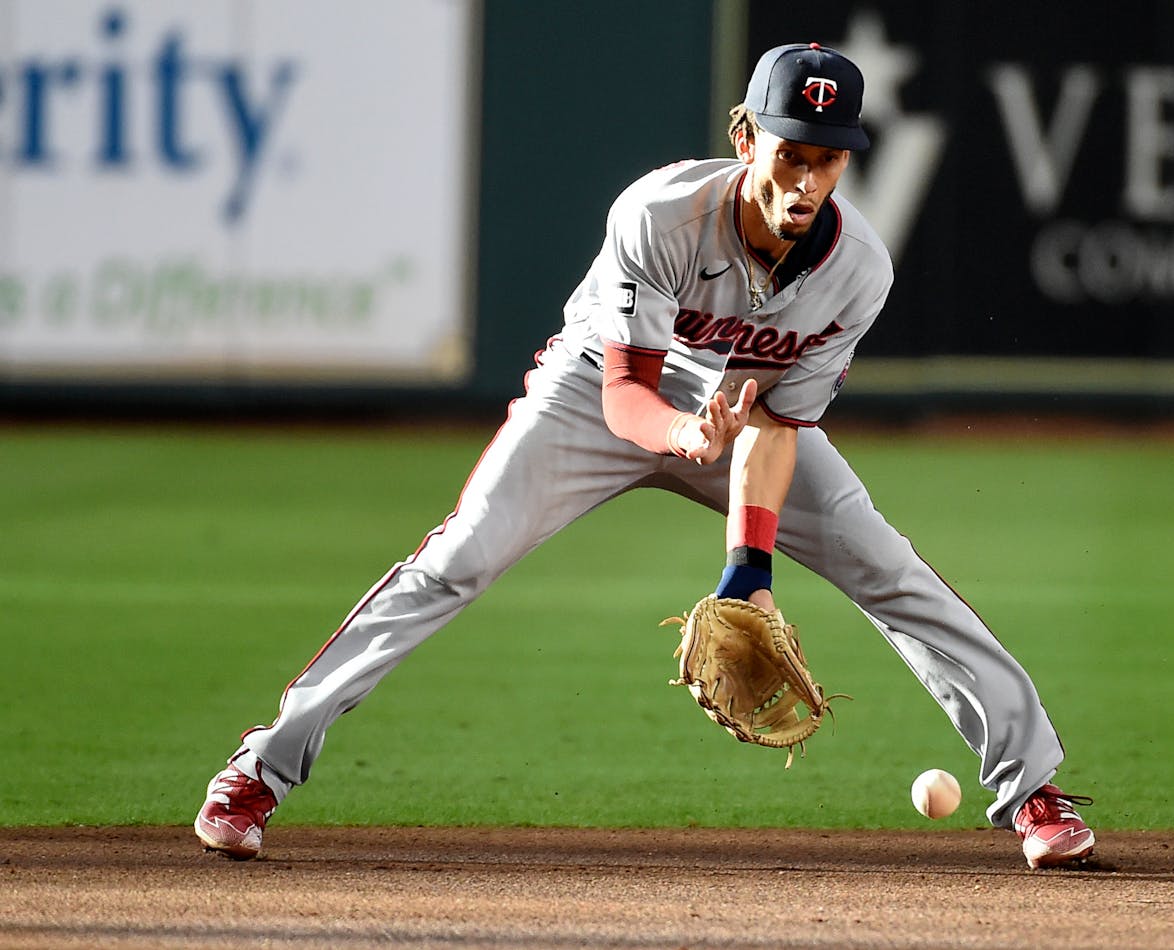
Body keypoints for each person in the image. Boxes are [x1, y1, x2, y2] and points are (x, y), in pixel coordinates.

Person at [195, 42, 1096, 870]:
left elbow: (779, 426)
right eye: (790, 149)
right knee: (457, 559)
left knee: (892, 571)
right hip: (598, 395)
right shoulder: (662, 213)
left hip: (745, 422)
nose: (807, 175)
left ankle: (1034, 791)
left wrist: (748, 568)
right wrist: (681, 433)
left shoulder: (860, 268)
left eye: (827, 155)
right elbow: (629, 390)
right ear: (746, 138)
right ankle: (261, 769)